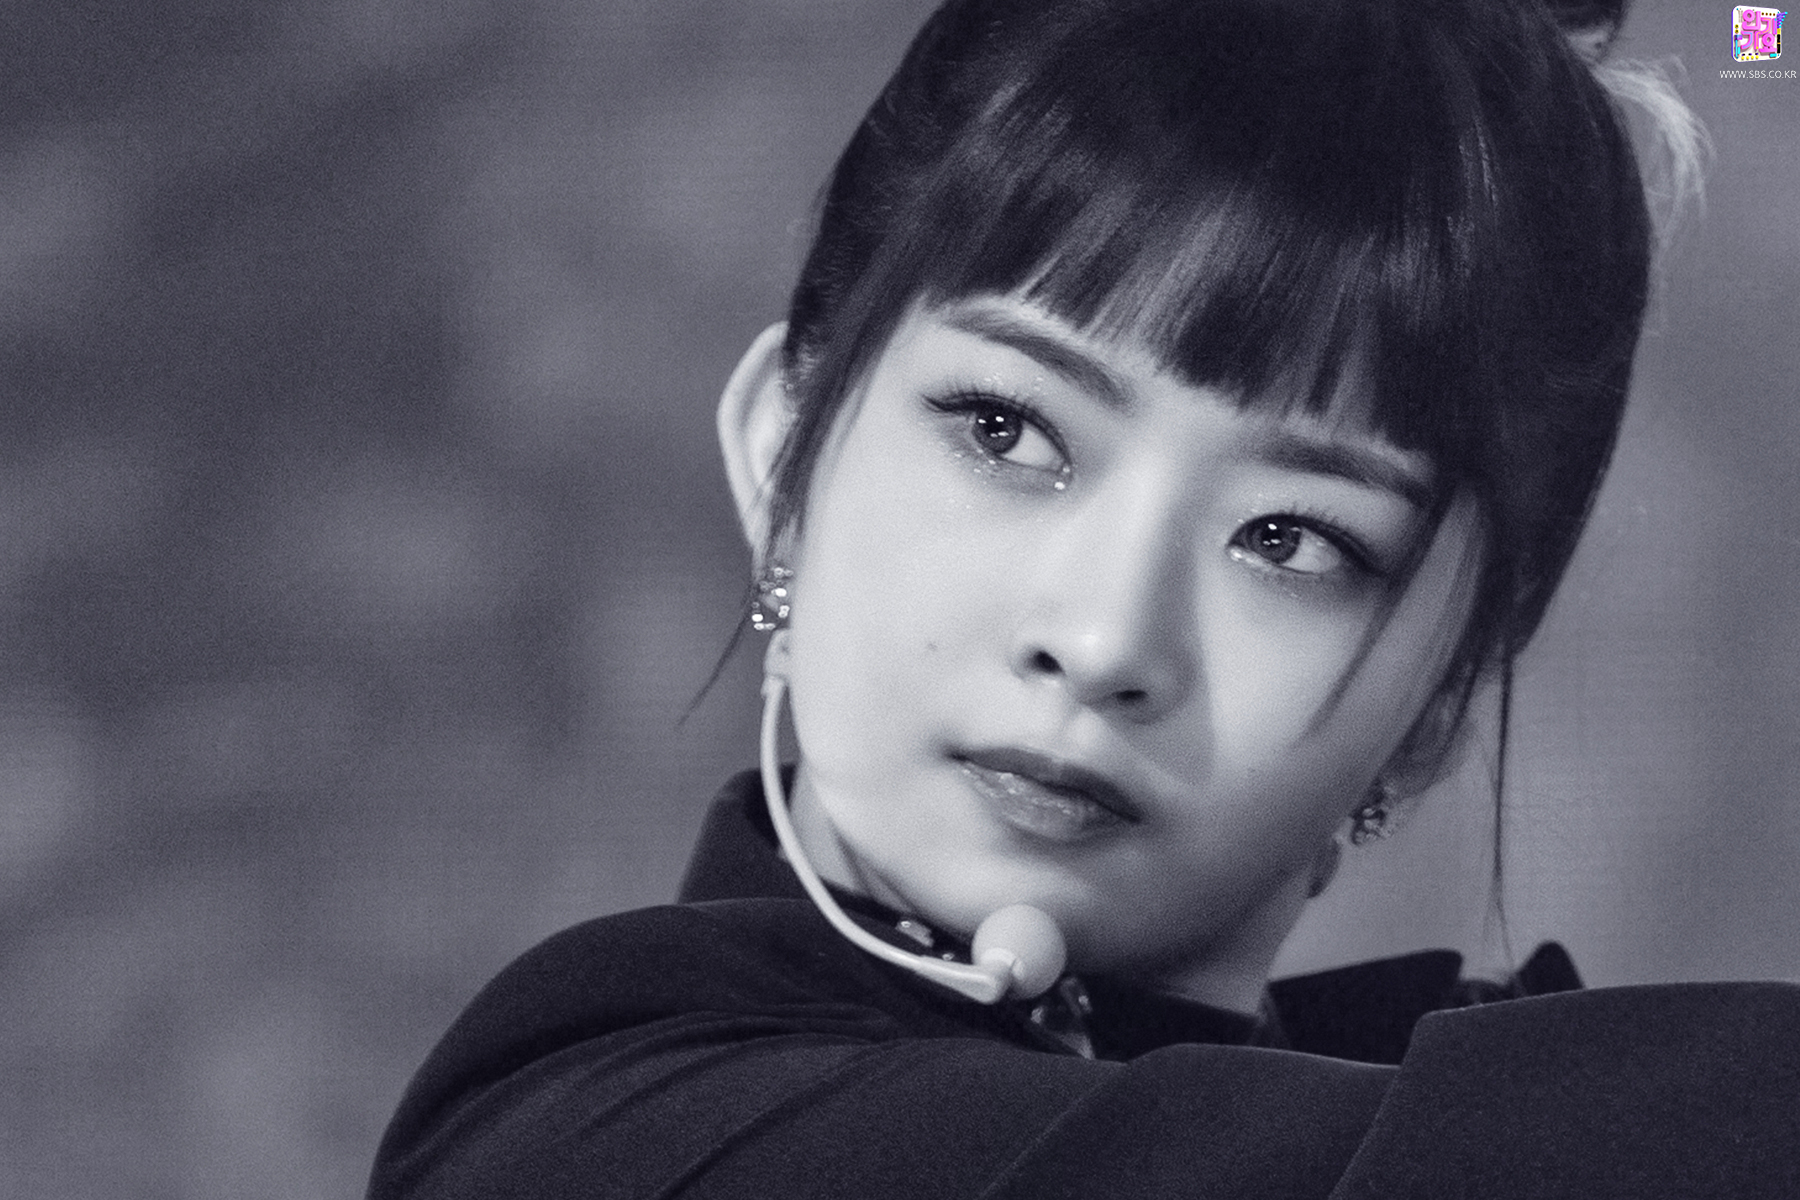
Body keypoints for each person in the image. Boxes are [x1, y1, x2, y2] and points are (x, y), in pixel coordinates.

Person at [368, 0, 1799, 1196]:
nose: (1104, 639)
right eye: (1005, 432)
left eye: (1294, 539)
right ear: (780, 455)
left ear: (1437, 710)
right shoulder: (595, 1143)